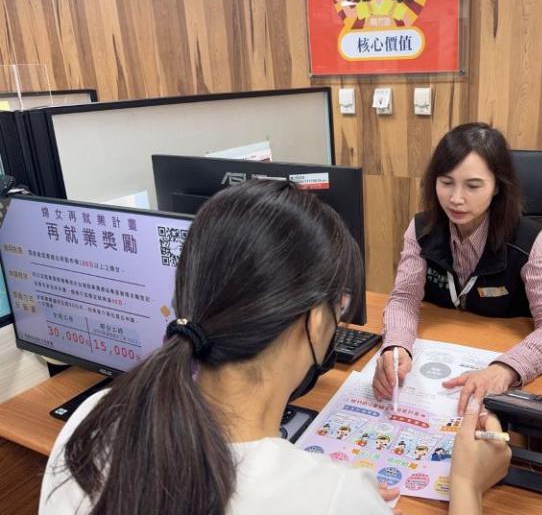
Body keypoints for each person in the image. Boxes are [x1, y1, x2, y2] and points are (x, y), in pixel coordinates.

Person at [39, 179, 510, 515]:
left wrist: (328, 487)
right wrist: (465, 485)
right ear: (317, 321)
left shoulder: (93, 419)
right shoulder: (333, 501)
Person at [373, 122, 542, 414]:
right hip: (439, 359)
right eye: (446, 182)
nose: (456, 198)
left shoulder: (530, 240)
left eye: (473, 186)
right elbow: (404, 299)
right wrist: (396, 346)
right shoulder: (421, 229)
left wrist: (504, 370)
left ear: (497, 187)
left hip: (501, 354)